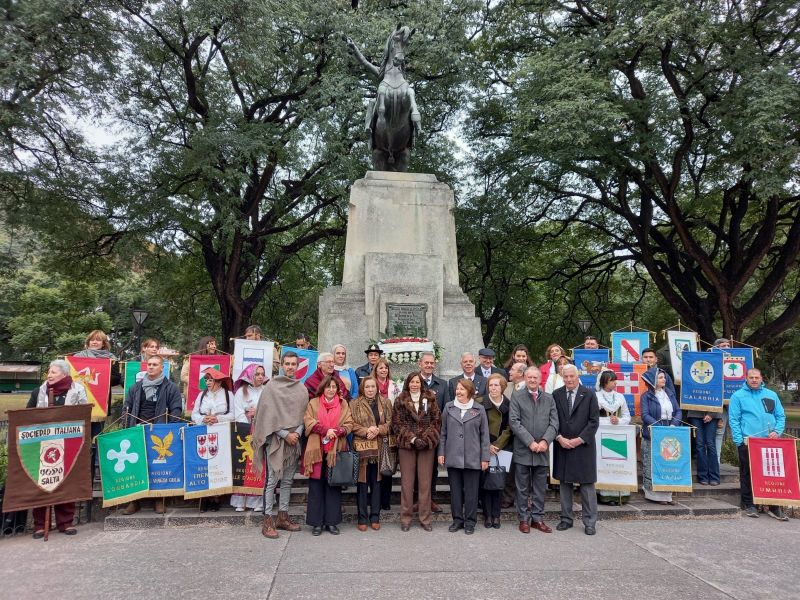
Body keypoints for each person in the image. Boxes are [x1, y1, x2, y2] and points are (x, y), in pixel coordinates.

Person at [27, 360, 89, 538]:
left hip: (68, 443)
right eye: (49, 372)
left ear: (64, 374)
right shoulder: (39, 392)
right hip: (43, 444)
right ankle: (40, 524)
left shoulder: (77, 390)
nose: (49, 375)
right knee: (43, 482)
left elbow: (84, 415)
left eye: (53, 372)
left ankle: (65, 522)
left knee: (65, 482)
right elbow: (28, 415)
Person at [251, 351, 309, 538]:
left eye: (294, 364)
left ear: (298, 366)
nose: (290, 367)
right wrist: (284, 434)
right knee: (272, 481)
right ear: (282, 365)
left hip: (294, 442)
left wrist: (297, 434)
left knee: (288, 481)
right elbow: (264, 417)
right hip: (276, 441)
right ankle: (267, 519)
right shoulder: (271, 387)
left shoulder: (302, 389)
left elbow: (305, 415)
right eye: (287, 363)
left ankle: (282, 517)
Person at [120, 354, 184, 515]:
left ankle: (159, 500)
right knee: (136, 465)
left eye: (155, 364)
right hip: (137, 431)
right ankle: (135, 501)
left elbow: (176, 410)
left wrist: (171, 429)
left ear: (162, 367)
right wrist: (126, 425)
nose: (151, 367)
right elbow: (126, 408)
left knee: (158, 466)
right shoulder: (135, 388)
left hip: (160, 432)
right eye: (149, 364)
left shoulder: (171, 388)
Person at [729, 369, 788, 521]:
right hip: (748, 441)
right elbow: (734, 420)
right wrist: (739, 441)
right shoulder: (738, 396)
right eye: (751, 377)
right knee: (747, 473)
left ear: (762, 378)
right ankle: (749, 504)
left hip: (770, 442)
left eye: (757, 377)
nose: (754, 380)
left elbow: (780, 415)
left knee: (771, 474)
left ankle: (774, 506)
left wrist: (777, 431)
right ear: (746, 379)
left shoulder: (771, 395)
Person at [509, 366, 558, 534]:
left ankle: (537, 518)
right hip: (523, 449)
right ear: (525, 378)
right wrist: (530, 442)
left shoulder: (549, 399)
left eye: (535, 378)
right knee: (522, 487)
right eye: (529, 377)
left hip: (542, 451)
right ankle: (523, 519)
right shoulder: (517, 397)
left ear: (539, 380)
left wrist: (545, 441)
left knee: (539, 487)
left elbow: (554, 423)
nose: (532, 380)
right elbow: (514, 422)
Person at [302, 375, 354, 535]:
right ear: (323, 388)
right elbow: (308, 421)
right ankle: (317, 523)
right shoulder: (314, 403)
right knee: (316, 487)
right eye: (328, 387)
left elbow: (349, 423)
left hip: (336, 449)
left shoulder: (343, 403)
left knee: (333, 486)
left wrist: (337, 431)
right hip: (316, 448)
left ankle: (331, 522)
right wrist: (326, 431)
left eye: (334, 387)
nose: (331, 390)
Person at [552, 364, 600, 535]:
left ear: (578, 375)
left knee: (587, 485)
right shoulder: (556, 395)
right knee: (565, 484)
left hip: (583, 446)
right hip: (563, 444)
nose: (569, 380)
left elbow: (594, 421)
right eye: (566, 377)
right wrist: (559, 438)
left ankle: (590, 522)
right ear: (562, 377)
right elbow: (552, 419)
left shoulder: (589, 394)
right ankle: (566, 519)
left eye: (572, 376)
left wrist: (580, 439)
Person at [439, 379, 490, 535]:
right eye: (457, 389)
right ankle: (457, 520)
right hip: (453, 456)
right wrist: (441, 453)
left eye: (462, 389)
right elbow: (443, 433)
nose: (459, 392)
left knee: (471, 492)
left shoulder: (479, 409)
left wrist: (485, 457)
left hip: (473, 457)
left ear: (469, 391)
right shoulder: (448, 407)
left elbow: (484, 436)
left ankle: (470, 521)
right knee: (455, 491)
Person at [392, 371, 441, 532]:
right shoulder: (400, 400)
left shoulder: (430, 398)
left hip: (426, 446)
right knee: (407, 483)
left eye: (417, 382)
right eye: (412, 382)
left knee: (425, 483)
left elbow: (436, 421)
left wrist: (425, 439)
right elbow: (397, 424)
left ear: (421, 383)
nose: (415, 385)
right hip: (407, 446)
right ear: (407, 383)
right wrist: (413, 439)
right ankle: (406, 518)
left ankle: (425, 518)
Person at [350, 376, 394, 531]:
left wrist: (378, 430)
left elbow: (390, 422)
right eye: (367, 387)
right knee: (362, 484)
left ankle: (375, 516)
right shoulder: (354, 403)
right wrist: (366, 430)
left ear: (377, 388)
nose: (370, 389)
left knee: (377, 484)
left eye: (373, 387)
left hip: (379, 449)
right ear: (363, 388)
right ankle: (362, 518)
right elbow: (351, 424)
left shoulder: (385, 402)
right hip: (362, 448)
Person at [190, 367, 234, 511]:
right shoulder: (201, 395)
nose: (208, 382)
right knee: (204, 463)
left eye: (211, 380)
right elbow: (194, 414)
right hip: (203, 433)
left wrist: (217, 418)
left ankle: (216, 497)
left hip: (221, 433)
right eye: (206, 380)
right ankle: (205, 496)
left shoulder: (228, 395)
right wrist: (203, 419)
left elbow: (233, 414)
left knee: (219, 464)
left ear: (219, 382)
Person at [640, 367, 681, 505]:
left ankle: (667, 495)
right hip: (653, 433)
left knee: (667, 462)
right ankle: (654, 495)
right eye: (660, 377)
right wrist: (659, 428)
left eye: (664, 377)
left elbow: (678, 411)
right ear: (653, 380)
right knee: (653, 463)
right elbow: (645, 415)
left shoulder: (669, 394)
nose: (664, 379)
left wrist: (673, 425)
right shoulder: (646, 396)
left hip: (670, 432)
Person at [231, 364, 268, 512]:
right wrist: (247, 422)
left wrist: (256, 413)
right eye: (257, 374)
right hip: (244, 433)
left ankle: (257, 501)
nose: (260, 377)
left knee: (258, 466)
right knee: (243, 467)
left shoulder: (266, 391)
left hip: (261, 431)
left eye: (262, 374)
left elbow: (270, 410)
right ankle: (241, 501)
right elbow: (238, 412)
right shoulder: (241, 392)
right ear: (250, 376)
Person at [477, 373, 512, 528]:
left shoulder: (509, 404)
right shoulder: (479, 402)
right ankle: (487, 515)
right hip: (484, 447)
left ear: (503, 387)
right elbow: (477, 427)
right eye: (491, 385)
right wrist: (487, 445)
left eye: (496, 385)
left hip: (502, 449)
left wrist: (498, 444)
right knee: (485, 483)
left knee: (498, 483)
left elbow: (510, 427)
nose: (493, 388)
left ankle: (496, 515)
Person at [595, 370, 632, 504]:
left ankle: (620, 494)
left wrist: (619, 421)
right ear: (605, 382)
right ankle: (605, 494)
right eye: (612, 380)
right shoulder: (596, 396)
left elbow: (627, 416)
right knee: (605, 461)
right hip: (601, 433)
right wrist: (607, 421)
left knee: (618, 461)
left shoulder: (620, 397)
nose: (615, 382)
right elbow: (593, 417)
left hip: (618, 433)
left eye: (615, 380)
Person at [417, 351, 448, 513]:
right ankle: (417, 500)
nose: (429, 365)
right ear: (420, 364)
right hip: (416, 434)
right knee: (417, 468)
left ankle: (431, 499)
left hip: (435, 434)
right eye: (426, 363)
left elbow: (446, 410)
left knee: (433, 468)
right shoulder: (413, 382)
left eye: (431, 363)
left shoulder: (442, 384)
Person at [710, 338, 731, 469]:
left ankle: (716, 464)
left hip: (730, 407)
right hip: (715, 406)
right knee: (714, 435)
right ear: (716, 348)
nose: (727, 348)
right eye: (724, 346)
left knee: (721, 435)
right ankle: (713, 465)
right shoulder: (711, 362)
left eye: (729, 346)